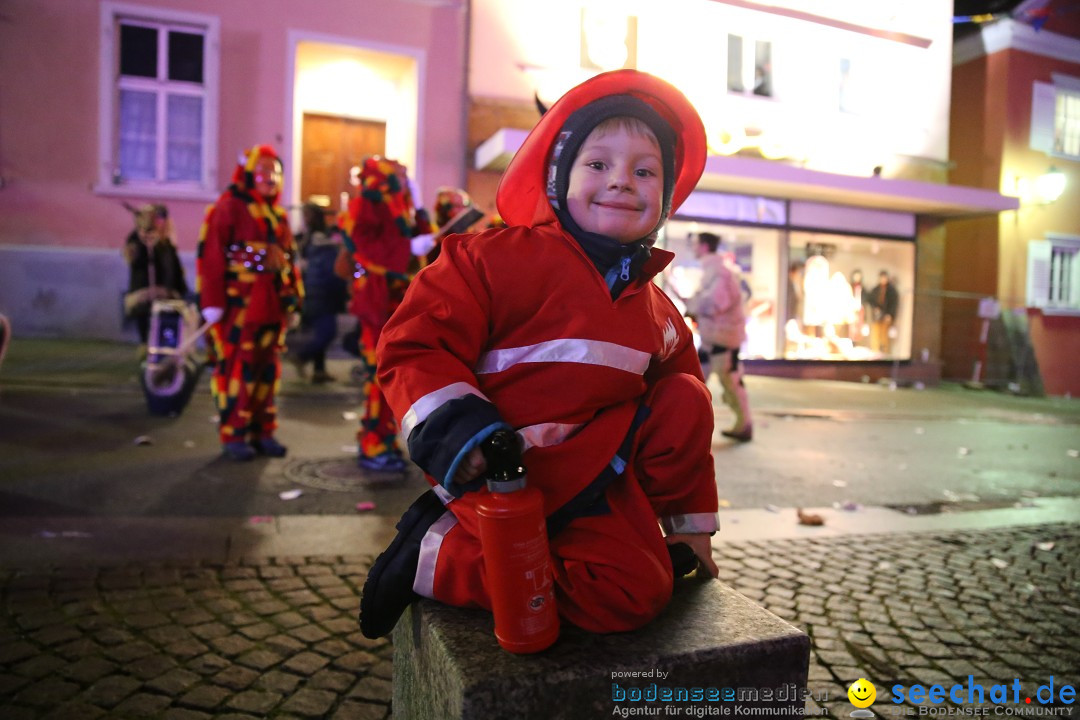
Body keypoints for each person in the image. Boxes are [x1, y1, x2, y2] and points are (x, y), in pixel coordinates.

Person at [358, 69, 720, 641]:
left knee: (686, 399)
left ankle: (629, 547)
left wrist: (689, 529)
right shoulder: (490, 260)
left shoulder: (657, 309)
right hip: (502, 478)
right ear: (557, 180)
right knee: (632, 596)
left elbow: (685, 419)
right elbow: (415, 342)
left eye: (644, 171)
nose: (622, 181)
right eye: (598, 164)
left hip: (598, 483)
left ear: (665, 197)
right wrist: (460, 430)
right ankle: (438, 555)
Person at [196, 145, 303, 462]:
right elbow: (211, 257)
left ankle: (263, 431)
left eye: (276, 172)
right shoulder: (228, 208)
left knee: (268, 370)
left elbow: (289, 260)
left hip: (271, 305)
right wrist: (211, 302)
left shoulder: (279, 215)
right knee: (237, 370)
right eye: (263, 171)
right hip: (238, 306)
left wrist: (294, 300)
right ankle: (234, 434)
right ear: (248, 174)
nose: (270, 178)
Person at [342, 156, 420, 472]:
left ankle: (383, 440)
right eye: (399, 176)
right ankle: (373, 443)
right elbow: (360, 241)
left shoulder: (400, 206)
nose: (404, 180)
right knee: (379, 376)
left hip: (394, 300)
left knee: (391, 377)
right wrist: (408, 248)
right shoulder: (371, 203)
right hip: (377, 301)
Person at [686, 232, 752, 442]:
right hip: (715, 339)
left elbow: (713, 304)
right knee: (697, 380)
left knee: (730, 382)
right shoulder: (715, 270)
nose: (694, 248)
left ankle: (744, 424)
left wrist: (693, 305)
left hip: (722, 340)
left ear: (705, 246)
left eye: (696, 244)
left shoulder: (720, 273)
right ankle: (689, 428)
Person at [290, 202, 347, 384]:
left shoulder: (309, 240)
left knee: (319, 331)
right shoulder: (324, 244)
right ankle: (301, 356)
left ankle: (319, 371)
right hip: (320, 293)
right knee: (327, 331)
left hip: (311, 291)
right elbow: (332, 273)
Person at [123, 204, 188, 347]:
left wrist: (180, 289)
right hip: (144, 295)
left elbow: (174, 268)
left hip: (166, 296)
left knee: (166, 330)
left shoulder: (166, 245)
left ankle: (165, 357)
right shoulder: (138, 242)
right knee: (146, 329)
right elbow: (134, 256)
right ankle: (146, 354)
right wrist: (142, 227)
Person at [866, 270, 898, 354]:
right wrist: (875, 307)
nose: (883, 279)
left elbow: (893, 303)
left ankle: (885, 353)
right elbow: (870, 299)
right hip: (877, 316)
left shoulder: (891, 291)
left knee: (884, 336)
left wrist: (890, 314)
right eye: (881, 278)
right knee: (875, 334)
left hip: (886, 315)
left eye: (884, 277)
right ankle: (875, 352)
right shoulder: (876, 289)